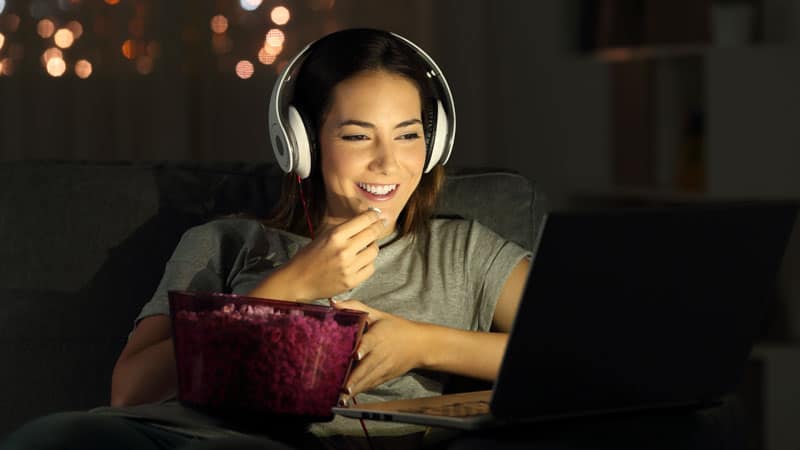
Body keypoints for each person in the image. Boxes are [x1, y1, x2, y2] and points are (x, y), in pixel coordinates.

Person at [0, 28, 530, 450]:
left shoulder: (465, 254)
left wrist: (423, 342)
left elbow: (580, 356)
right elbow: (132, 392)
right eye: (356, 135)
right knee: (54, 435)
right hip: (175, 433)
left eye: (409, 134)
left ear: (434, 144)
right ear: (302, 144)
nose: (388, 161)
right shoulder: (222, 243)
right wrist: (287, 287)